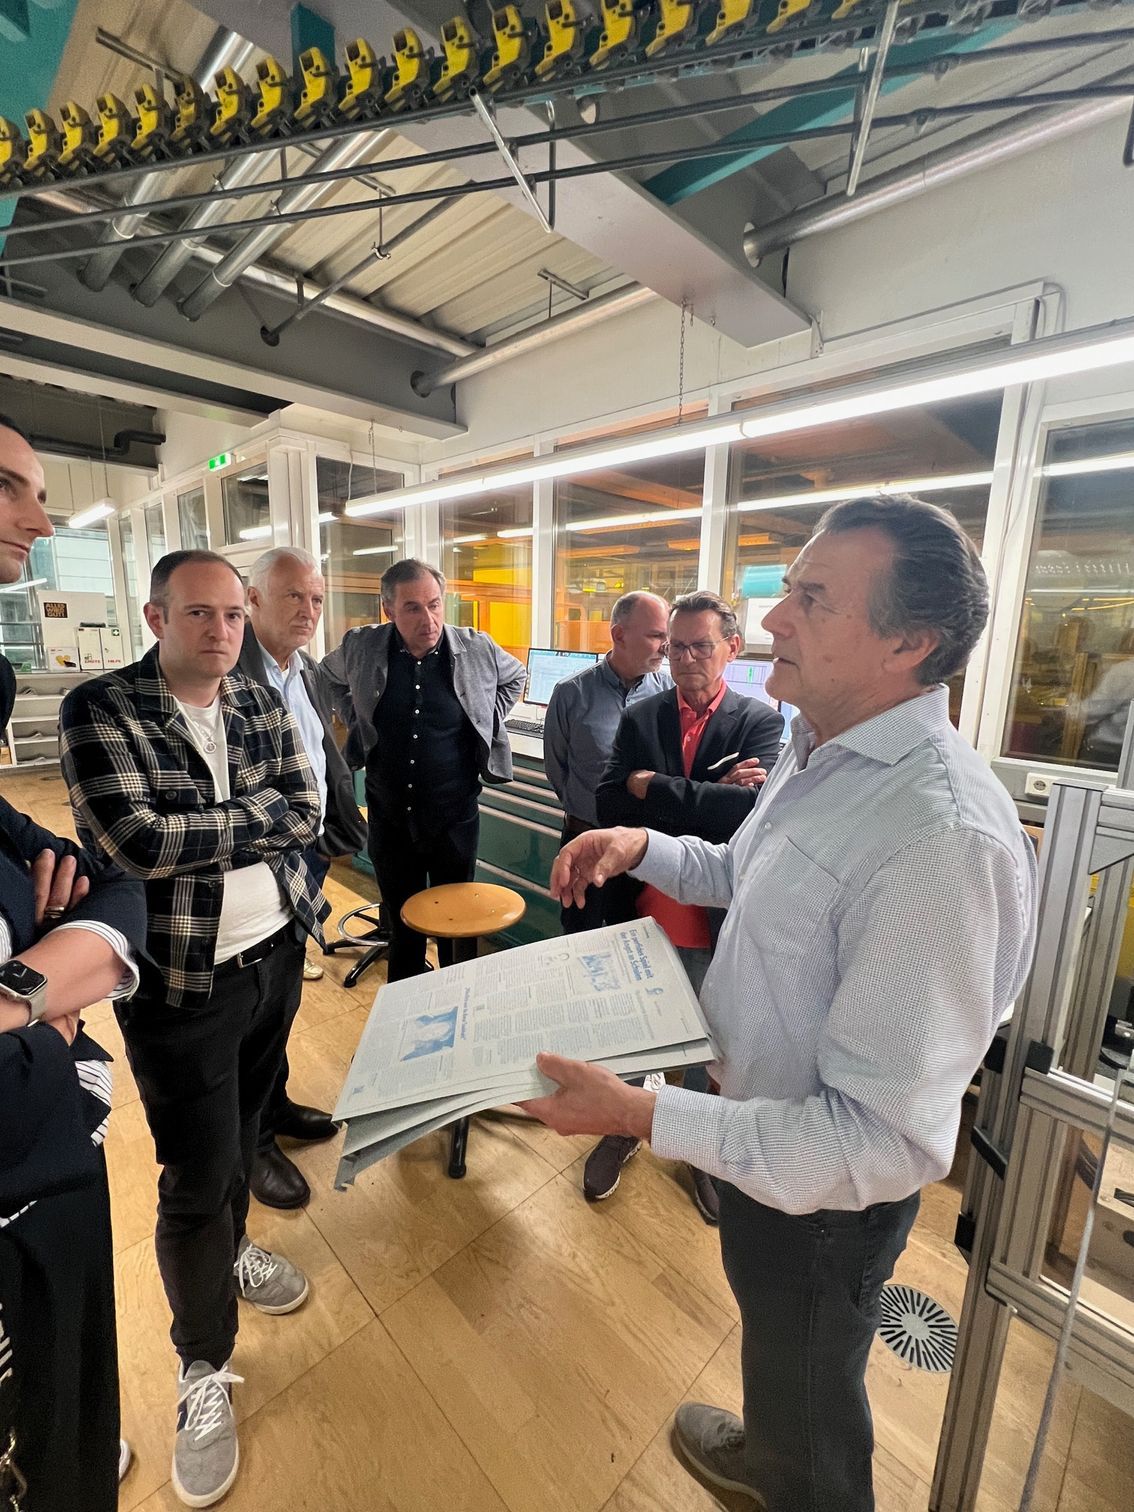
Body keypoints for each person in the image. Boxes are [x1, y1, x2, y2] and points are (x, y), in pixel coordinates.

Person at [529, 495, 1037, 1512]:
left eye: (813, 599)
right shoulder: (821, 747)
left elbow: (877, 1144)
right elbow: (743, 872)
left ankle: (797, 1480)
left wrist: (641, 1114)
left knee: (812, 1386)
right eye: (788, 591)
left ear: (910, 643)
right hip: (757, 1141)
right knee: (775, 1344)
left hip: (827, 1207)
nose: (771, 621)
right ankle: (767, 1460)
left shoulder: (939, 841)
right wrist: (642, 844)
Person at [59, 549, 330, 1510]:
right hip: (183, 986)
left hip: (276, 962)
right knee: (195, 1174)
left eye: (233, 616)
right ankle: (201, 1361)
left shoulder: (255, 698)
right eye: (200, 615)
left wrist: (220, 821)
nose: (222, 632)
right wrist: (257, 816)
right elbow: (134, 841)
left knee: (247, 1135)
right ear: (156, 617)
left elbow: (308, 810)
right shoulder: (101, 709)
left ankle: (233, 1252)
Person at [0, 413, 147, 1512]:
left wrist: (21, 997)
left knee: (70, 1412)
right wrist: (48, 1027)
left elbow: (108, 885)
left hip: (55, 1194)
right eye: (11, 488)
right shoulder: (107, 707)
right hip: (20, 1184)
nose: (42, 523)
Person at [585, 590, 784, 1218]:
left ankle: (700, 1150)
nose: (686, 660)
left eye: (701, 647)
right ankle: (621, 1126)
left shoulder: (761, 723)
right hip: (641, 908)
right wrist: (704, 791)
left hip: (712, 919)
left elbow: (745, 815)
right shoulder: (642, 717)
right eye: (675, 648)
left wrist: (654, 786)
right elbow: (609, 802)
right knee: (634, 1030)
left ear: (732, 648)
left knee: (704, 1041)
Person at [322, 558, 526, 981]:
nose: (428, 619)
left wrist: (486, 717)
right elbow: (326, 678)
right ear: (388, 609)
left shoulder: (476, 648)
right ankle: (406, 1005)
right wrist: (355, 717)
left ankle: (458, 998)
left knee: (459, 928)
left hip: (454, 816)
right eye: (413, 608)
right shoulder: (361, 646)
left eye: (434, 605)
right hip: (389, 816)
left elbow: (515, 677)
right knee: (402, 928)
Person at [238, 546, 367, 1211]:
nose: (309, 610)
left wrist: (334, 834)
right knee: (253, 1006)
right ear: (253, 599)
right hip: (257, 863)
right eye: (293, 596)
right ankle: (253, 1142)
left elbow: (324, 757)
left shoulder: (307, 671)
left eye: (316, 599)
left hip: (307, 854)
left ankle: (277, 1104)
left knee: (284, 993)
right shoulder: (225, 672)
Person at [543, 591, 672, 934]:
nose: (666, 647)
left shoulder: (669, 693)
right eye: (656, 635)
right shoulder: (571, 693)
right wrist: (587, 811)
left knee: (634, 939)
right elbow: (557, 768)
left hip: (641, 848)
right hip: (585, 840)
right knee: (577, 936)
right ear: (619, 635)